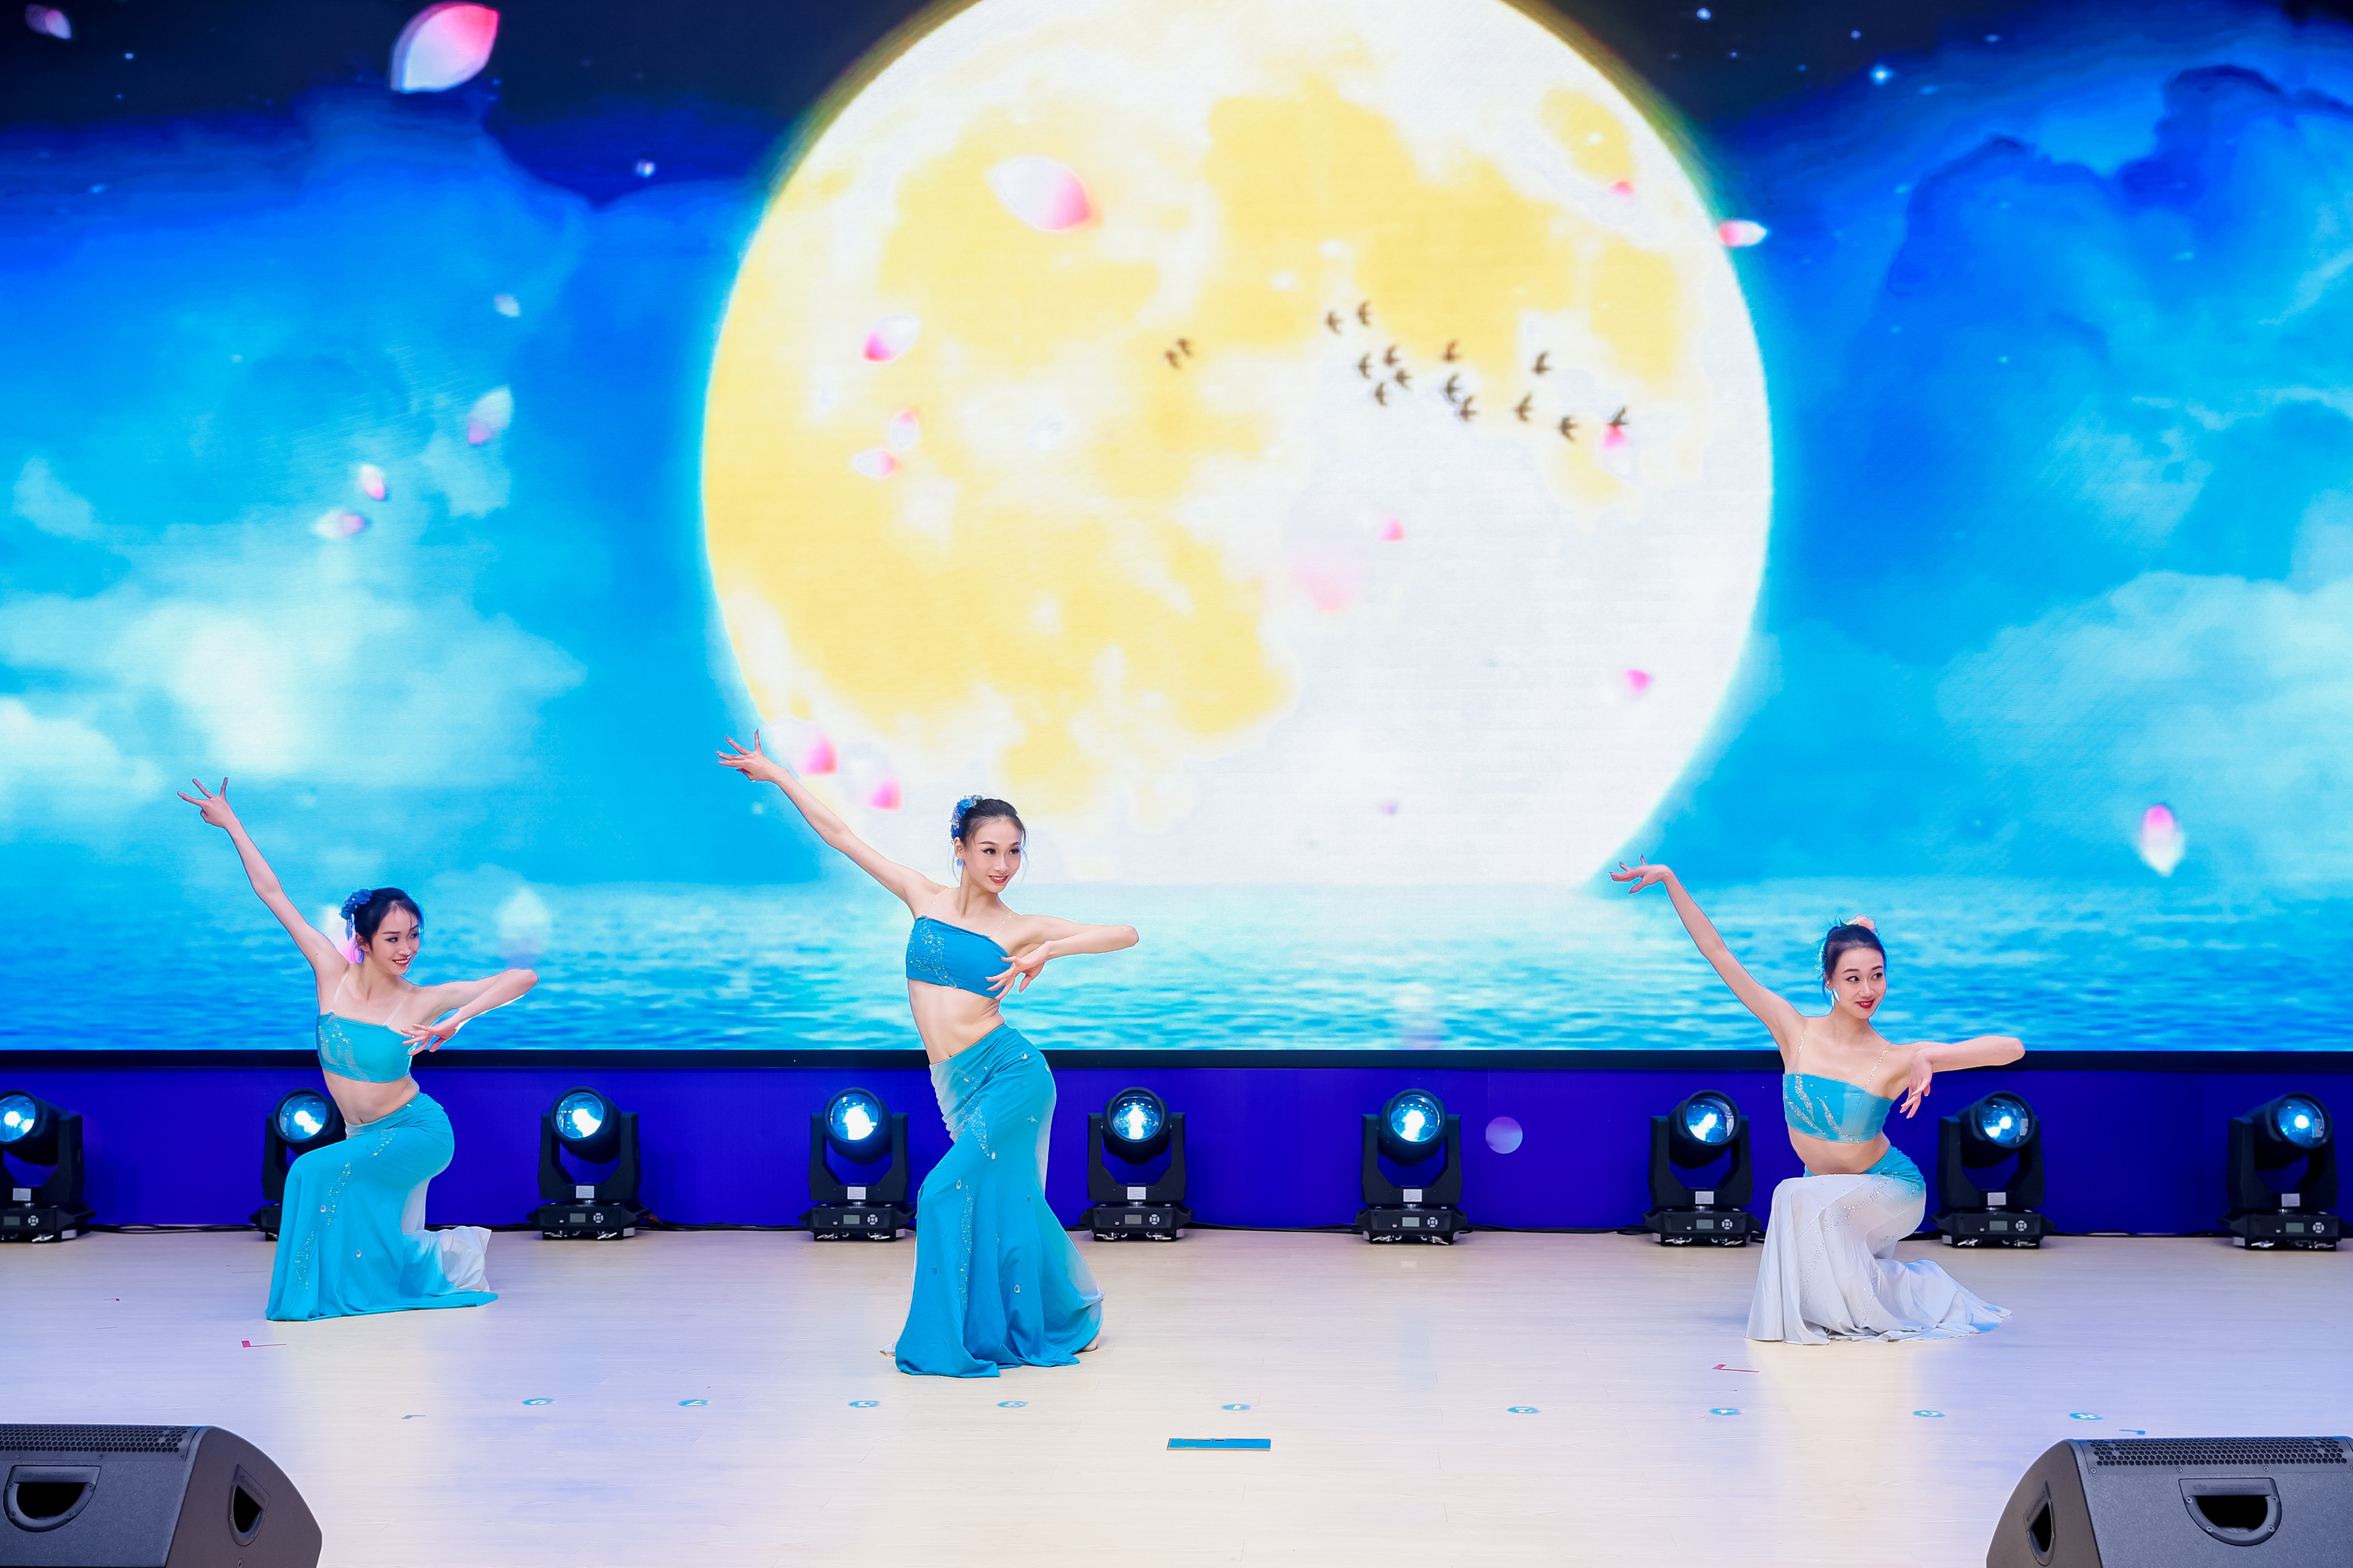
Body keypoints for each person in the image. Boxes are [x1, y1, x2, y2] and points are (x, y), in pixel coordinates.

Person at [718, 735, 1130, 1377]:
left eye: (1014, 851)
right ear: (960, 848)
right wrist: (779, 776)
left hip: (1012, 1075)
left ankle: (938, 1337)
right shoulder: (923, 896)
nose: (1003, 864)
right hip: (954, 1082)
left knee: (941, 1194)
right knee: (1010, 1199)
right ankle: (1065, 1320)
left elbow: (1124, 933)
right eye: (989, 849)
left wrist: (1051, 948)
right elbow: (842, 837)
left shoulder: (1018, 926)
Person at [1613, 859, 2019, 1344]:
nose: (1867, 990)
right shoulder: (1793, 1031)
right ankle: (1895, 1291)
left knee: (1790, 1193)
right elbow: (1716, 952)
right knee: (1818, 1235)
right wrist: (1669, 879)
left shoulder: (1894, 1056)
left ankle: (1872, 1302)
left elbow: (2011, 1048)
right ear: (1829, 980)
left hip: (1890, 1188)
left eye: (1877, 976)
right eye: (1853, 978)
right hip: (1821, 1192)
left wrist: (1928, 1056)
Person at [179, 778, 537, 1320]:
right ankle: (445, 1261)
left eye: (414, 935)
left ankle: (306, 1300)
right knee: (364, 1228)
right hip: (360, 1134)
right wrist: (232, 824)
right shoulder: (331, 973)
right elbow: (273, 894)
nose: (407, 948)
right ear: (363, 941)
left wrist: (455, 1021)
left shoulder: (421, 999)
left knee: (308, 1172)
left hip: (418, 1130)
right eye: (393, 938)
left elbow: (522, 977)